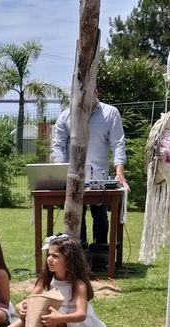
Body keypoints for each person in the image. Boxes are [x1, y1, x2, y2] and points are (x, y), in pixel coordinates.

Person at [0, 235, 106, 327]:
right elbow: (31, 299)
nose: (49, 259)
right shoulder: (46, 278)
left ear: (69, 259)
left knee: (48, 322)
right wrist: (21, 306)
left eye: (55, 256)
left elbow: (81, 314)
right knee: (28, 318)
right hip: (54, 315)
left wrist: (59, 318)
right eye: (49, 255)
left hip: (73, 321)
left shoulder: (78, 284)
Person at [51, 93, 130, 247]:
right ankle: (79, 252)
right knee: (76, 215)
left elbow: (118, 143)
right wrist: (60, 172)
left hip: (99, 178)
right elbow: (58, 146)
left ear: (96, 92)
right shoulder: (65, 116)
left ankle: (101, 252)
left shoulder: (110, 113)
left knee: (100, 215)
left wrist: (119, 172)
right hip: (73, 178)